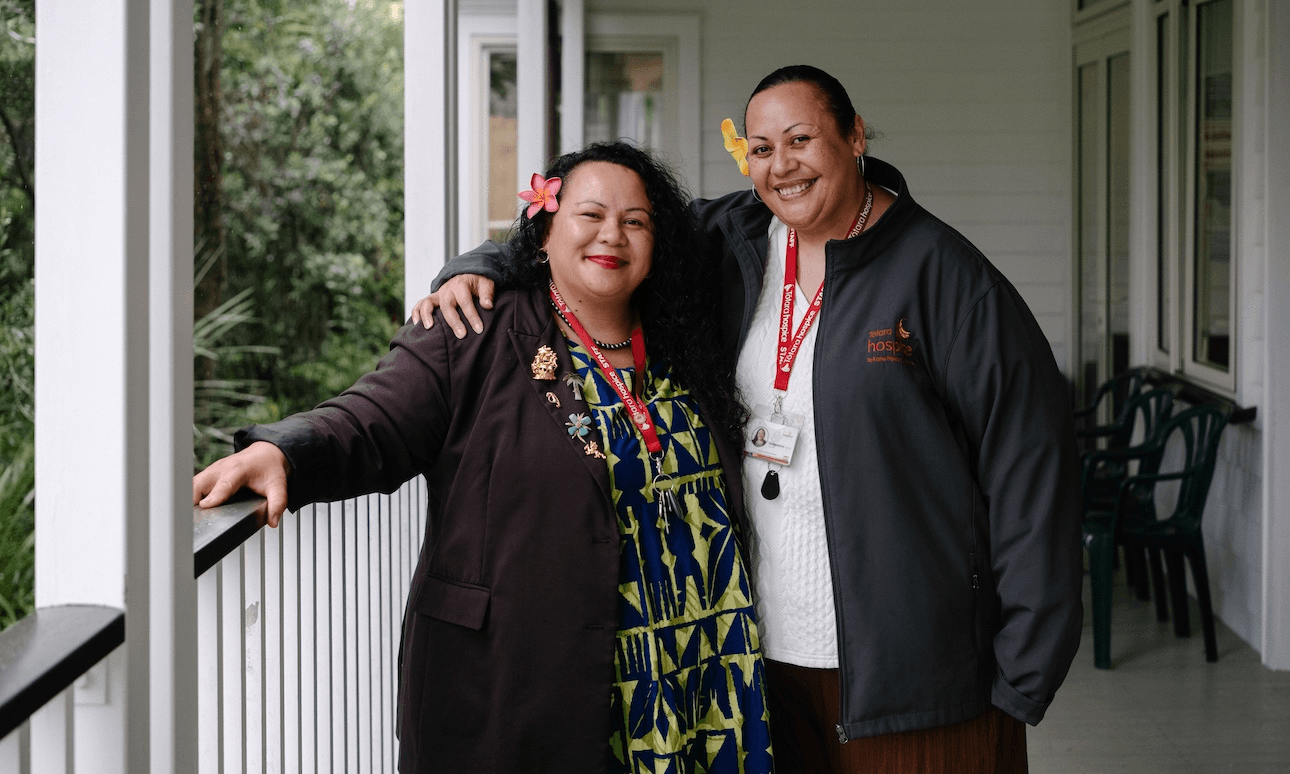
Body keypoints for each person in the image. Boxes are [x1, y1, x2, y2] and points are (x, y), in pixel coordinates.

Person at [413, 65, 1083, 773]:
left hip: (917, 678)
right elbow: (602, 246)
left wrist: (1024, 670)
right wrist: (479, 263)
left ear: (855, 137)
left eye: (802, 139)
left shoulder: (947, 277)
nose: (781, 165)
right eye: (760, 148)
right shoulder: (732, 240)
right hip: (765, 661)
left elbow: (1032, 469)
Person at [193, 142, 774, 774]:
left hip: (698, 667)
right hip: (541, 678)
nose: (614, 234)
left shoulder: (683, 337)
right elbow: (374, 416)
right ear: (544, 227)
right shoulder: (476, 326)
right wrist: (286, 452)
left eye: (636, 221)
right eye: (591, 215)